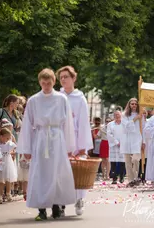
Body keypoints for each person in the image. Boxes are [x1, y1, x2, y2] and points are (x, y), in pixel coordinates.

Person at [16, 68, 76, 221]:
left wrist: (70, 147)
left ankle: (56, 205)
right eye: (43, 83)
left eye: (49, 83)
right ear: (40, 83)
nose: (46, 86)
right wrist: (26, 149)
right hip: (41, 138)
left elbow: (68, 123)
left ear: (53, 82)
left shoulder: (61, 99)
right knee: (40, 173)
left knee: (57, 172)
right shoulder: (34, 100)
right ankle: (41, 209)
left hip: (57, 139)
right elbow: (28, 125)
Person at [57, 65, 94, 216]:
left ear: (73, 78)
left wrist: (83, 145)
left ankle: (79, 199)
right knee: (61, 172)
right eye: (61, 77)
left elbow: (84, 122)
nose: (63, 80)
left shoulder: (80, 98)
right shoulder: (57, 96)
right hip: (60, 138)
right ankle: (61, 203)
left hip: (77, 138)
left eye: (66, 77)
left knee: (78, 171)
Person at [121, 98, 145, 187]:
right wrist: (135, 119)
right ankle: (130, 180)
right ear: (129, 105)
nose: (134, 105)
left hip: (137, 139)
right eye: (132, 104)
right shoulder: (124, 115)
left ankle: (135, 178)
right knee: (127, 162)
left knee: (135, 159)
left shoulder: (141, 115)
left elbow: (144, 128)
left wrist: (144, 141)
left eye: (135, 104)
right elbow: (126, 126)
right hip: (127, 139)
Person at [0, 128, 18, 204]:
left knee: (8, 179)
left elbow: (16, 148)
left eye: (9, 138)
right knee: (0, 180)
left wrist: (13, 152)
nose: (8, 139)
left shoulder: (9, 143)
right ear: (1, 136)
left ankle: (8, 194)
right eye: (7, 138)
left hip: (7, 162)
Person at [107, 111, 126, 184]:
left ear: (121, 115)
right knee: (113, 162)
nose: (117, 116)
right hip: (114, 145)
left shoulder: (124, 124)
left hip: (123, 144)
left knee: (122, 162)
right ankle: (114, 178)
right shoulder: (110, 124)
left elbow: (126, 133)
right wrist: (116, 142)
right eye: (115, 115)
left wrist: (123, 142)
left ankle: (122, 177)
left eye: (118, 114)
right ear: (114, 116)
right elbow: (109, 134)